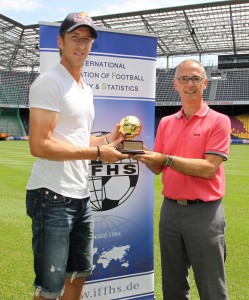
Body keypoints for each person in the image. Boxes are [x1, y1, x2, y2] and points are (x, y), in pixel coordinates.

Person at [26, 12, 129, 300]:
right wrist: (98, 152)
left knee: (79, 275)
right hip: (51, 196)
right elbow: (40, 145)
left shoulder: (86, 89)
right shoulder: (50, 82)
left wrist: (111, 139)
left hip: (81, 195)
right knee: (50, 289)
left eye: (87, 40)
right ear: (60, 42)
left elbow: (76, 139)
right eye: (75, 38)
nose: (81, 45)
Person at [134, 59, 231, 300]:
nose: (190, 84)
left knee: (212, 287)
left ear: (205, 83)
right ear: (175, 84)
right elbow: (158, 167)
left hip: (205, 213)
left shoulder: (219, 121)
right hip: (171, 211)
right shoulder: (166, 123)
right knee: (173, 286)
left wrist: (165, 159)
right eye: (184, 79)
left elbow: (209, 168)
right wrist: (136, 151)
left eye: (196, 78)